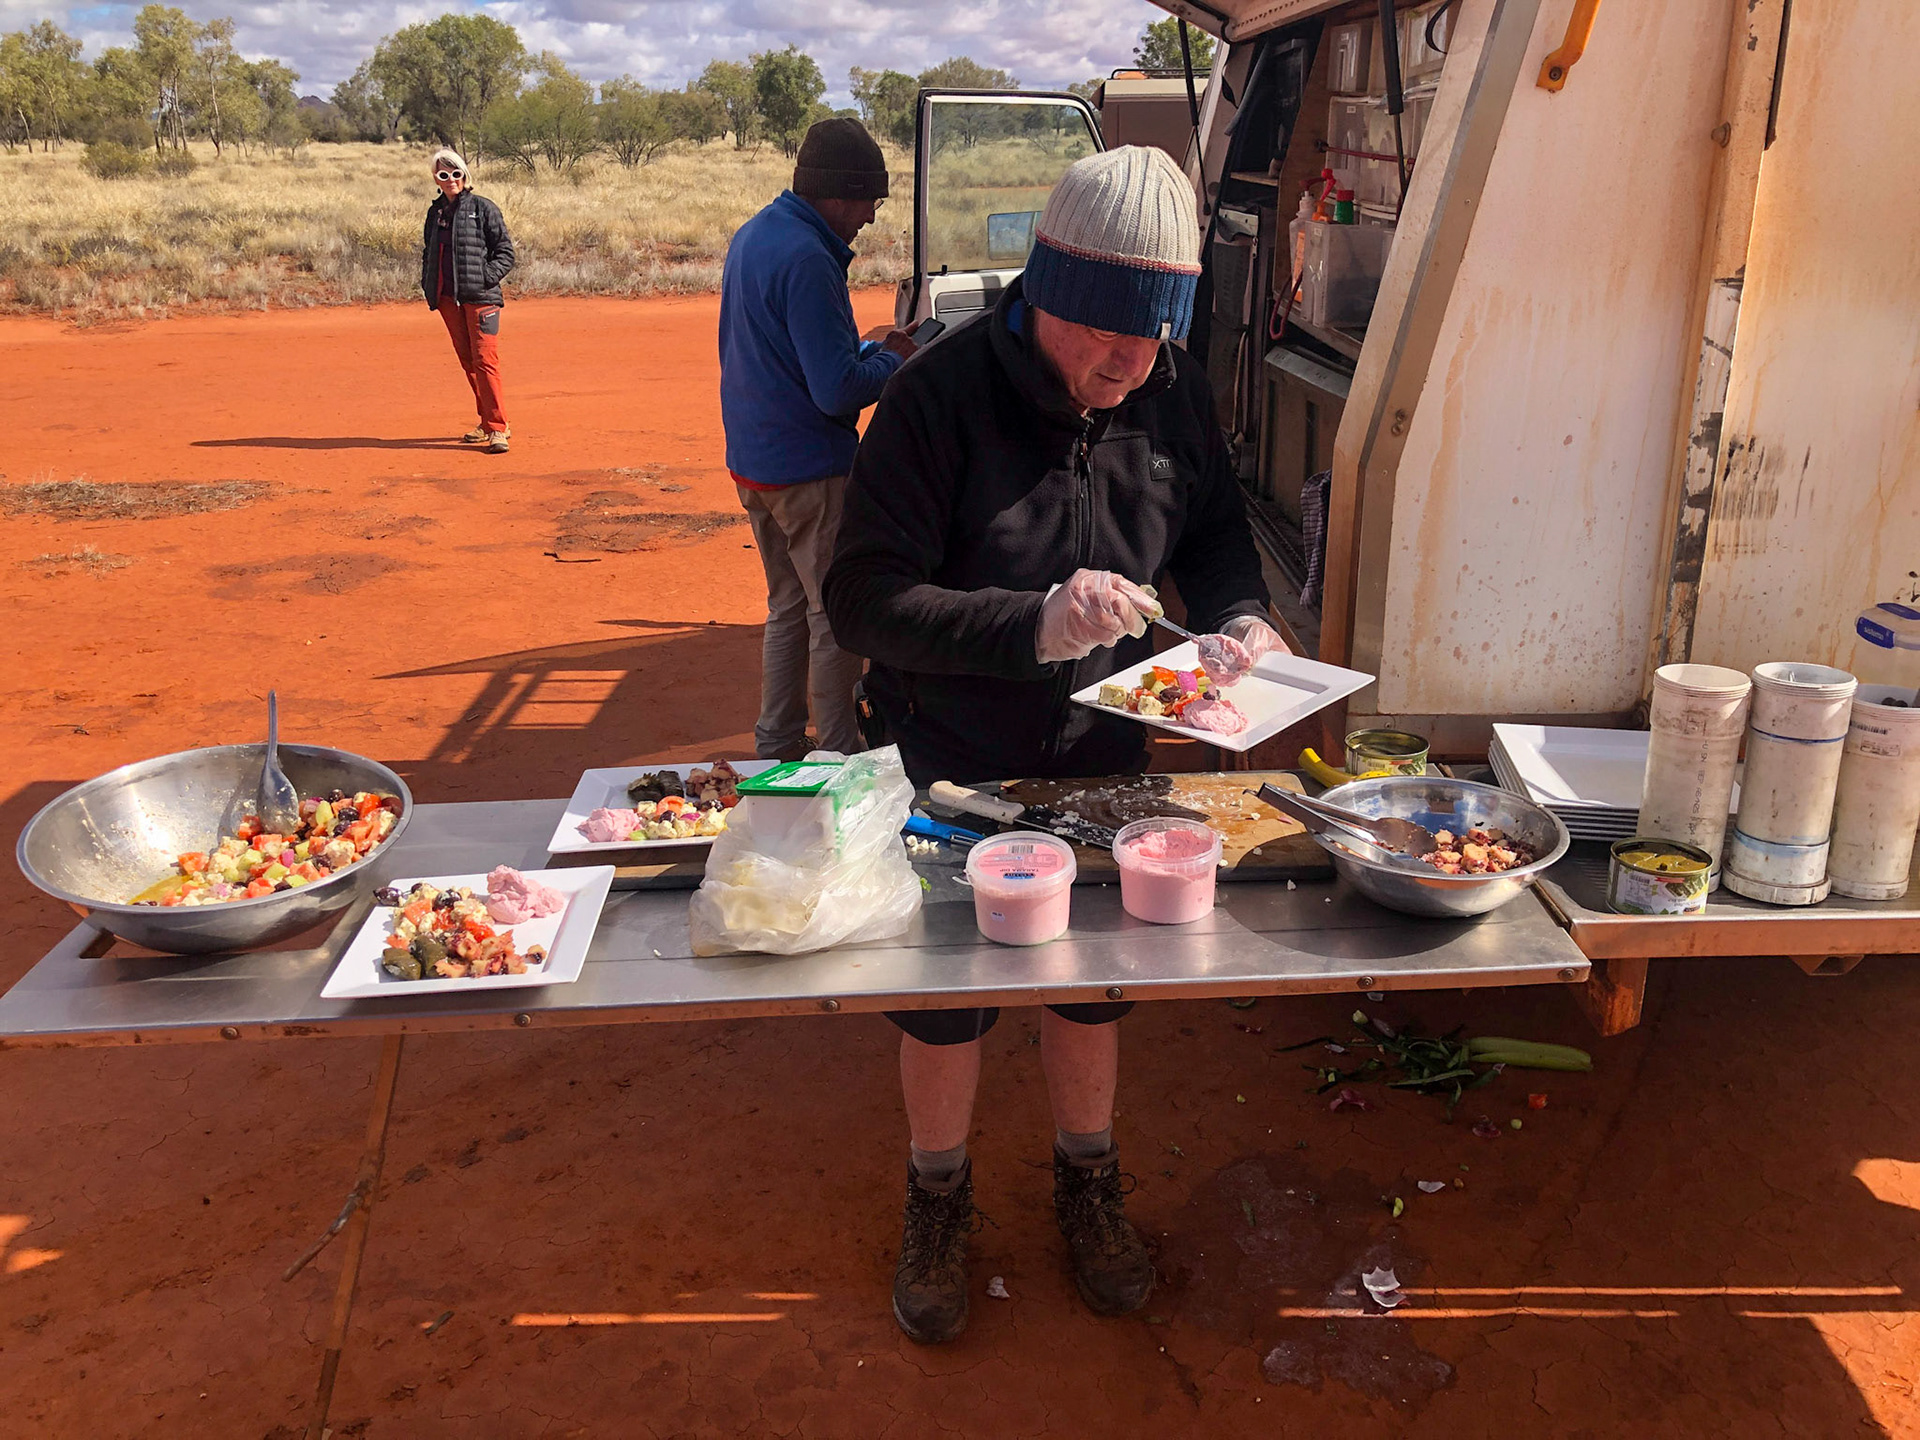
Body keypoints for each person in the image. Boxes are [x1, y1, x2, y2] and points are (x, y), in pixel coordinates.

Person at [823, 145, 1289, 1345]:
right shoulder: (936, 400)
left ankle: (1086, 1177)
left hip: (1102, 762)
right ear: (1048, 293)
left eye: (1153, 347)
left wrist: (1240, 616)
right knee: (945, 999)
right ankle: (938, 1193)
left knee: (1094, 986)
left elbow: (1221, 532)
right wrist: (1032, 623)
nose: (1130, 375)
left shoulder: (1166, 389)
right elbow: (863, 602)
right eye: (1108, 346)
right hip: (952, 759)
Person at [719, 117, 918, 762]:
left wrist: (865, 348)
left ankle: (776, 742)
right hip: (810, 469)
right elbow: (835, 391)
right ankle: (839, 756)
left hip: (756, 461)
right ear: (839, 194)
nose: (868, 217)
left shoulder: (756, 235)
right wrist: (896, 363)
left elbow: (789, 355)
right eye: (869, 201)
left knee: (786, 608)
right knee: (834, 618)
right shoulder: (809, 257)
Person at [420, 148, 516, 454]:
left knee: (485, 360)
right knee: (468, 361)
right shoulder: (435, 213)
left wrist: (485, 277)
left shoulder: (483, 208)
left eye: (456, 174)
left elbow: (505, 253)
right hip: (448, 299)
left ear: (465, 175)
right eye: (443, 174)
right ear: (436, 178)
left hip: (482, 298)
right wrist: (429, 283)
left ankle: (498, 429)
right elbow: (428, 250)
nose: (451, 180)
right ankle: (487, 421)